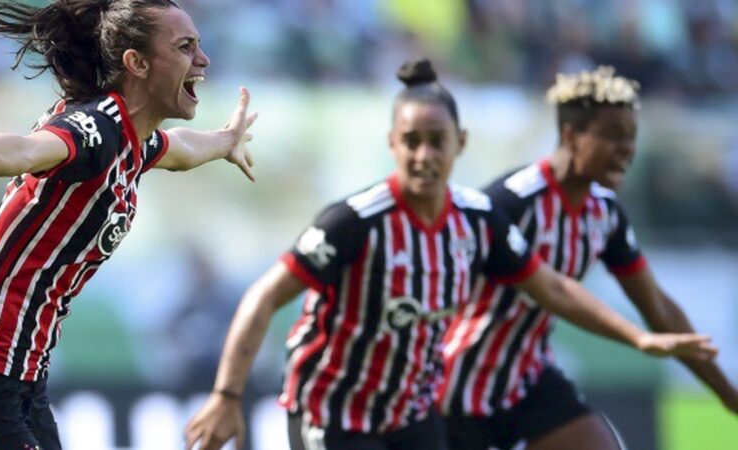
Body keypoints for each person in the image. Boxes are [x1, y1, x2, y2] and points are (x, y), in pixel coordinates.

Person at [182, 59, 716, 450]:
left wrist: (638, 336)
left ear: (459, 143)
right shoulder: (356, 220)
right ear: (392, 143)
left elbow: (551, 287)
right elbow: (263, 296)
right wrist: (227, 395)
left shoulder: (480, 219)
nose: (424, 154)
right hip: (336, 408)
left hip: (413, 410)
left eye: (436, 141)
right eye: (411, 140)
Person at [0, 1, 256, 448]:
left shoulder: (133, 140)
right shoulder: (95, 128)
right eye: (186, 47)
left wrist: (225, 142)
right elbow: (29, 150)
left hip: (21, 372)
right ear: (137, 63)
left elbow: (181, 150)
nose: (203, 60)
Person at [437, 66, 738, 450]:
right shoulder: (511, 201)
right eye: (613, 135)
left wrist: (727, 393)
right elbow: (447, 275)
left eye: (631, 137)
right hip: (458, 386)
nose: (626, 149)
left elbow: (657, 306)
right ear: (570, 136)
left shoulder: (605, 214)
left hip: (527, 380)